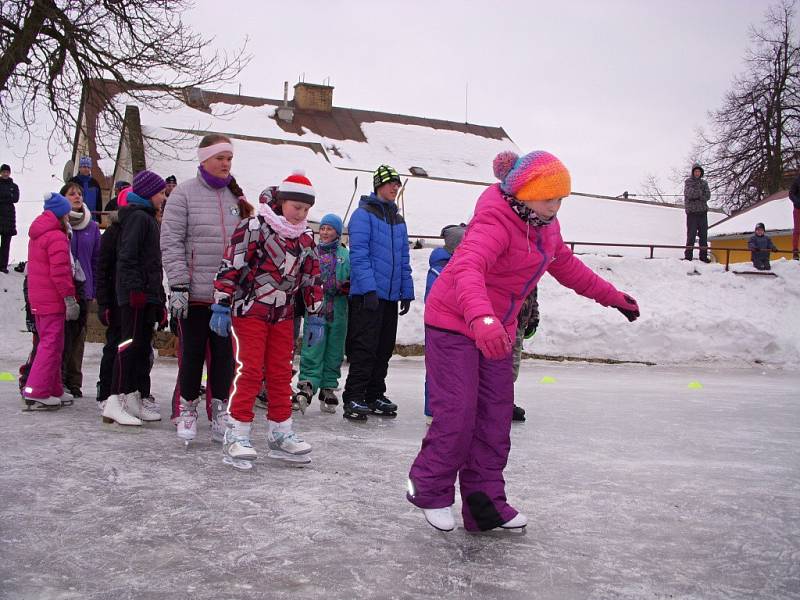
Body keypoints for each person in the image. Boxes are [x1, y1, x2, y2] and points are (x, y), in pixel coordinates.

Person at [407, 150, 640, 533]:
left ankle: (484, 504)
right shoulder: (494, 222)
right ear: (524, 193)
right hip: (455, 323)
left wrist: (612, 296)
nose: (556, 206)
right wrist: (482, 318)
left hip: (499, 329)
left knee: (495, 418)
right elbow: (467, 269)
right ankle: (431, 491)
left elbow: (566, 266)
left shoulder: (546, 227)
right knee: (459, 412)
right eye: (550, 198)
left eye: (561, 198)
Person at [212, 170, 323, 468]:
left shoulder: (305, 238)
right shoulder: (255, 227)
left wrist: (316, 315)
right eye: (296, 207)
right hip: (250, 310)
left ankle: (280, 432)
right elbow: (232, 263)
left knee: (280, 372)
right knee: (249, 370)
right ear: (282, 201)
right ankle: (236, 432)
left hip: (284, 314)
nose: (301, 214)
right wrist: (221, 303)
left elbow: (312, 277)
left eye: (306, 209)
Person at [160, 134, 252, 444]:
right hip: (194, 293)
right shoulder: (183, 194)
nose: (226, 163)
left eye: (229, 158)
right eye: (220, 158)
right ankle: (187, 409)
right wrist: (178, 284)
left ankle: (220, 410)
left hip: (225, 297)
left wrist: (243, 283)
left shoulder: (236, 199)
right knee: (192, 354)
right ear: (204, 160)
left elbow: (245, 247)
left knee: (225, 357)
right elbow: (171, 242)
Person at [342, 165, 414, 420]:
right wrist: (369, 289)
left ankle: (374, 394)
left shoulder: (398, 219)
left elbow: (403, 257)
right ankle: (354, 396)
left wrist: (406, 291)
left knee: (384, 348)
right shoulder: (363, 215)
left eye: (397, 184)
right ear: (378, 185)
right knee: (365, 346)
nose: (395, 187)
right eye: (390, 183)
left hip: (391, 296)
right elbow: (359, 255)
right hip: (368, 295)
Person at [101, 171, 167, 426]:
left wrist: (157, 299)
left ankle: (132, 396)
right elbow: (127, 258)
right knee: (127, 346)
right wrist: (135, 290)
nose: (163, 197)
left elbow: (153, 265)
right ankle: (113, 400)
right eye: (160, 192)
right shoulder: (139, 218)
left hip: (147, 295)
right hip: (134, 296)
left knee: (140, 348)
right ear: (149, 193)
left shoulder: (148, 218)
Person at [21, 192, 80, 409]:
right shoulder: (55, 236)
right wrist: (69, 298)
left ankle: (53, 387)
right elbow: (60, 272)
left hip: (39, 298)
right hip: (51, 299)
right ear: (61, 214)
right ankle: (36, 390)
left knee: (55, 343)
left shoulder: (39, 234)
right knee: (50, 344)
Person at [296, 213, 351, 414]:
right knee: (313, 345)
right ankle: (308, 383)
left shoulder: (345, 255)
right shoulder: (312, 253)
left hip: (338, 308)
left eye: (330, 229)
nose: (325, 232)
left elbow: (351, 276)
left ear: (338, 233)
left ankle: (328, 386)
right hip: (316, 307)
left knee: (335, 348)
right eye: (323, 228)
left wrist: (347, 286)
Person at [423, 223, 466, 423]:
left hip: (456, 327)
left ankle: (452, 408)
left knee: (456, 370)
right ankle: (433, 410)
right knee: (437, 369)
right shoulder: (440, 269)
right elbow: (438, 297)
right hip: (439, 328)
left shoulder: (459, 266)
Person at [61, 182, 101, 398]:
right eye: (71, 193)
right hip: (62, 289)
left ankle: (74, 382)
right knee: (61, 336)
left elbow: (96, 260)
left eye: (79, 193)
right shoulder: (60, 223)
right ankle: (57, 377)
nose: (77, 196)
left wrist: (93, 288)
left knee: (78, 337)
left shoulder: (92, 227)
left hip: (83, 288)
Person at [510, 289, 539, 422]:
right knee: (500, 368)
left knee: (512, 371)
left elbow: (533, 296)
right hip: (504, 321)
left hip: (520, 324)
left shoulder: (532, 271)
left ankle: (505, 402)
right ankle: (499, 404)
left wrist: (534, 319)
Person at [683, 163, 711, 262]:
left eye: (699, 171)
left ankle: (703, 256)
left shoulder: (704, 183)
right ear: (693, 172)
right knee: (691, 235)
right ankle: (688, 256)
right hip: (692, 213)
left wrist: (698, 195)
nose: (697, 173)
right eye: (695, 171)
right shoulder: (688, 182)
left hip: (703, 212)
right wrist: (700, 193)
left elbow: (708, 195)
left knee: (703, 236)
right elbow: (689, 194)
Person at [69, 156, 103, 222]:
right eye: (84, 167)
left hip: (91, 217)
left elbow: (99, 202)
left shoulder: (95, 183)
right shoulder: (72, 182)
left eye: (88, 167)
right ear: (79, 168)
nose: (86, 169)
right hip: (75, 217)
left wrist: (98, 218)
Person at [0, 163, 19, 273]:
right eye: (3, 172)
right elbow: (10, 198)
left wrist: (4, 198)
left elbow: (15, 199)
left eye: (7, 172)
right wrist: (8, 197)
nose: (5, 173)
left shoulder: (14, 186)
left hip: (9, 217)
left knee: (6, 243)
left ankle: (3, 265)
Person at [790, 173, 800, 261]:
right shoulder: (797, 180)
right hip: (798, 209)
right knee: (797, 230)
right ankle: (795, 251)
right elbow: (791, 194)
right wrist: (798, 202)